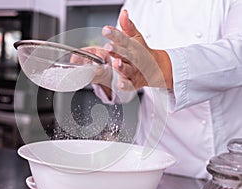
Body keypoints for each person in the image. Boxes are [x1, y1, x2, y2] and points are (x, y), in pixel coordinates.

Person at [90, 0, 242, 179]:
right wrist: (104, 74)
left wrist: (159, 67)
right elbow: (125, 85)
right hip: (153, 161)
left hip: (222, 169)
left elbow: (236, 54)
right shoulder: (137, 5)